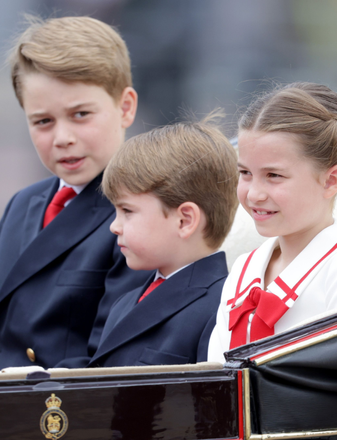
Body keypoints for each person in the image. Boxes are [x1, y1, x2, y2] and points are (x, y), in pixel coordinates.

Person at [0, 16, 151, 374]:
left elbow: (108, 358)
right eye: (43, 121)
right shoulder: (24, 204)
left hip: (48, 411)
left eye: (80, 114)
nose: (62, 137)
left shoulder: (140, 213)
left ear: (125, 107)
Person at [208, 82, 337, 363]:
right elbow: (213, 378)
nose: (254, 193)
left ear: (331, 180)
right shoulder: (243, 269)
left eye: (274, 175)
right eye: (245, 172)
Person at [88, 117, 239, 367]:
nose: (114, 226)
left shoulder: (224, 308)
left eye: (127, 211)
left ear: (184, 220)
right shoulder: (123, 304)